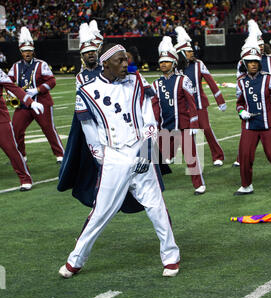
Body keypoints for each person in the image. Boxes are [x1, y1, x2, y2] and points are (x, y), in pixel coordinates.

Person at [58, 43, 180, 278]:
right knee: (100, 212)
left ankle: (171, 257)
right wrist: (101, 158)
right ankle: (75, 260)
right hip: (112, 156)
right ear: (105, 64)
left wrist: (146, 150)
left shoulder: (138, 82)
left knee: (156, 208)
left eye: (127, 60)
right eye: (120, 60)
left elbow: (150, 119)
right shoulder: (86, 90)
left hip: (139, 151)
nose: (126, 64)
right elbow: (88, 128)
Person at [235, 32, 271, 196]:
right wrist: (242, 112)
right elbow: (239, 104)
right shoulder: (240, 82)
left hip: (268, 123)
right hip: (249, 125)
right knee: (245, 156)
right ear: (244, 63)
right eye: (250, 62)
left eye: (255, 61)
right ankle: (246, 186)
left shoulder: (268, 78)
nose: (253, 64)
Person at [151, 36, 205, 195]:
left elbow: (191, 104)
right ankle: (151, 184)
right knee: (156, 155)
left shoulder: (183, 80)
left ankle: (199, 185)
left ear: (174, 62)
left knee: (191, 157)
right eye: (161, 61)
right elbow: (155, 108)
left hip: (184, 125)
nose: (163, 64)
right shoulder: (155, 84)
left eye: (167, 61)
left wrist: (194, 124)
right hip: (165, 127)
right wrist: (153, 126)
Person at [8, 27, 64, 164]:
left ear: (33, 51)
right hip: (23, 105)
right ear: (21, 52)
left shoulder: (41, 64)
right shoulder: (15, 67)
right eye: (24, 51)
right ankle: (21, 155)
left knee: (48, 129)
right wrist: (12, 93)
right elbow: (8, 82)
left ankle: (60, 154)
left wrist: (37, 90)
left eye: (29, 51)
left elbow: (52, 81)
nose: (27, 53)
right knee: (16, 129)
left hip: (42, 102)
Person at [174, 26, 227, 167]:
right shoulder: (176, 68)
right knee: (184, 133)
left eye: (192, 50)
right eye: (189, 51)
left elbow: (211, 82)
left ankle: (218, 155)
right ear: (181, 53)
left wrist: (220, 100)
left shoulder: (199, 64)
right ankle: (183, 158)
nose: (192, 53)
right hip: (184, 108)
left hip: (199, 104)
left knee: (206, 129)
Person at [0, 68, 44, 191]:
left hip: (0, 119)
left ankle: (25, 179)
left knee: (11, 150)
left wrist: (30, 102)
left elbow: (13, 88)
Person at [76, 23, 103, 90]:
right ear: (82, 56)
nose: (90, 53)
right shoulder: (80, 77)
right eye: (87, 52)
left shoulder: (106, 70)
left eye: (93, 51)